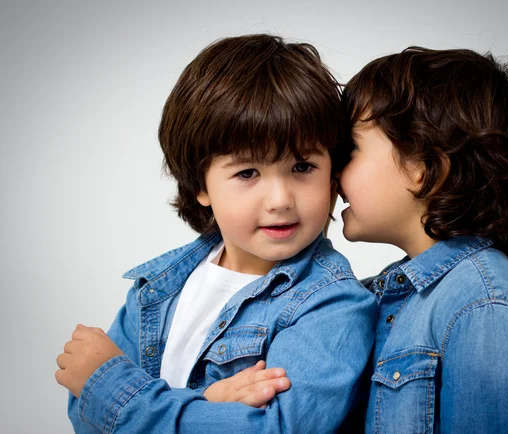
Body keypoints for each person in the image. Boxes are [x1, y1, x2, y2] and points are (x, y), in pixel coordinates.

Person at [54, 34, 376, 434]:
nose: (280, 200)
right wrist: (205, 404)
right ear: (199, 186)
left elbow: (275, 428)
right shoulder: (159, 287)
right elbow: (87, 415)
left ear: (333, 171)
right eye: (247, 173)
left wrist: (115, 388)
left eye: (302, 167)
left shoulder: (333, 304)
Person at [335, 47, 508, 433]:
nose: (334, 170)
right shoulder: (389, 294)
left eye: (351, 148)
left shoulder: (483, 308)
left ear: (424, 169)